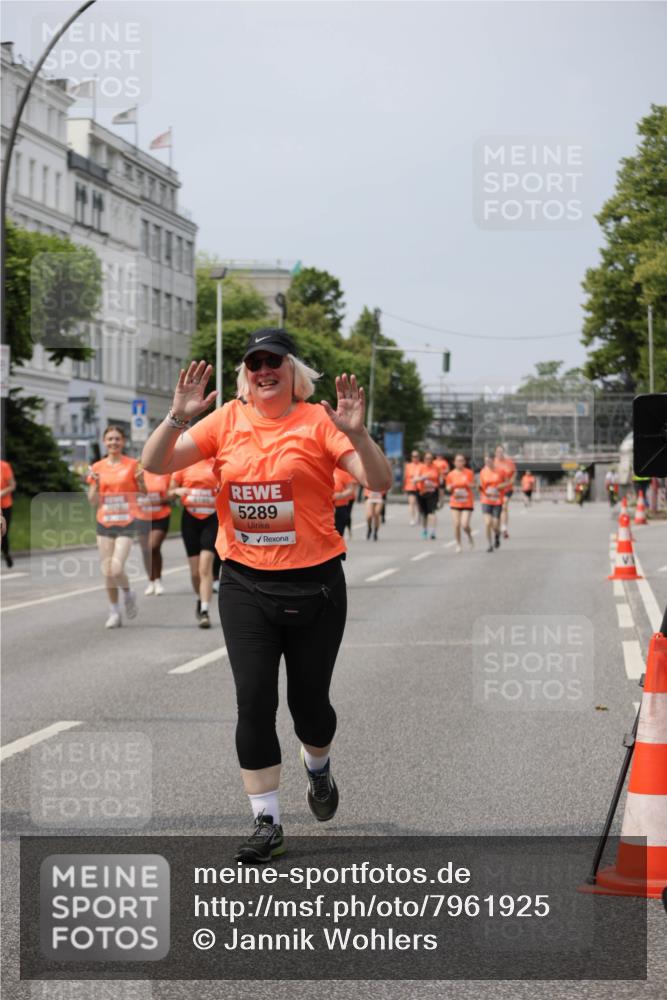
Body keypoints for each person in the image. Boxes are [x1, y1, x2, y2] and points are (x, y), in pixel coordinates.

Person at [141, 331, 392, 863]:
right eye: (253, 363)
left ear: (291, 369)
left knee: (310, 709)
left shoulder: (320, 421)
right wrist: (177, 416)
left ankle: (318, 769)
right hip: (246, 584)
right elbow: (157, 464)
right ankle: (267, 821)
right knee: (253, 699)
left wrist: (359, 434)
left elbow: (379, 481)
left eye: (272, 361)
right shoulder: (226, 420)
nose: (262, 370)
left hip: (317, 584)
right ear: (245, 374)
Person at [87, 426, 143, 628]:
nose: (113, 442)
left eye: (117, 439)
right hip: (104, 521)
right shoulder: (97, 467)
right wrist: (94, 484)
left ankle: (128, 593)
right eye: (110, 439)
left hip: (126, 521)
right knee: (107, 571)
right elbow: (92, 500)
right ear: (104, 441)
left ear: (123, 441)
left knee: (116, 567)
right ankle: (114, 612)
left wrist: (141, 481)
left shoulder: (133, 465)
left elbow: (143, 492)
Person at [169, 457, 219, 628]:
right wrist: (177, 491)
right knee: (195, 572)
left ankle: (205, 610)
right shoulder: (184, 464)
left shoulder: (216, 463)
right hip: (190, 519)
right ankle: (200, 598)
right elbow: (170, 491)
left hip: (211, 519)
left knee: (205, 567)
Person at [135, 471, 172, 594]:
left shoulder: (165, 473)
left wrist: (154, 502)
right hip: (141, 517)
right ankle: (151, 581)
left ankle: (158, 580)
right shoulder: (137, 475)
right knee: (145, 550)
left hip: (160, 516)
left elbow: (171, 495)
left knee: (153, 546)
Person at [480, 454, 510, 552]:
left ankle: (497, 535)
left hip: (497, 501)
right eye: (485, 461)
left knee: (496, 524)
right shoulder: (483, 472)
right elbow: (481, 485)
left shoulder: (501, 471)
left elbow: (507, 482)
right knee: (488, 523)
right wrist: (480, 488)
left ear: (493, 460)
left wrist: (500, 486)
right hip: (486, 500)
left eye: (489, 461)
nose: (487, 463)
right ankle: (489, 544)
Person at [445, 454, 474, 551]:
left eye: (462, 460)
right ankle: (458, 544)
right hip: (455, 502)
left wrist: (470, 485)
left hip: (467, 502)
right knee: (456, 524)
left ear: (464, 462)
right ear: (454, 462)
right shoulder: (450, 474)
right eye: (458, 461)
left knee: (464, 524)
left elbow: (473, 485)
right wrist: (450, 487)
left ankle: (469, 537)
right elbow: (448, 488)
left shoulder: (469, 473)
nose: (460, 463)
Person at [414, 451, 440, 539]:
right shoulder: (420, 467)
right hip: (422, 493)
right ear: (424, 459)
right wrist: (423, 477)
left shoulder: (436, 468)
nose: (428, 460)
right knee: (424, 514)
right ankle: (424, 530)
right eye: (427, 458)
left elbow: (440, 481)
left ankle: (433, 532)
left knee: (432, 512)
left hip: (432, 493)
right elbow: (414, 480)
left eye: (430, 458)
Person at [494, 445, 516, 539]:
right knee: (497, 510)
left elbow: (514, 472)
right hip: (496, 489)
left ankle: (504, 527)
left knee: (504, 505)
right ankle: (497, 527)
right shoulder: (493, 462)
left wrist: (512, 480)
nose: (500, 453)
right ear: (495, 453)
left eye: (501, 451)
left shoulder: (509, 462)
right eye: (498, 451)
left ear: (504, 452)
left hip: (507, 489)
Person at [332, 466, 357, 538]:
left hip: (340, 506)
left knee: (339, 532)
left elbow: (351, 489)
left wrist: (341, 495)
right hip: (325, 507)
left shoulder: (343, 472)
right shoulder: (322, 470)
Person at [0, 458, 16, 568]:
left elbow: (12, 485)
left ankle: (6, 554)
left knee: (2, 532)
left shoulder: (4, 466)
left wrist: (2, 492)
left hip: (5, 505)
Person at [403, 450, 421, 525]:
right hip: (410, 487)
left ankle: (419, 516)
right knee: (412, 503)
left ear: (419, 457)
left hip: (420, 487)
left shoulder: (422, 465)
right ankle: (412, 518)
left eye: (416, 456)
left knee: (419, 504)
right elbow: (405, 477)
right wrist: (404, 487)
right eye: (413, 456)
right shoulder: (408, 466)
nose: (415, 458)